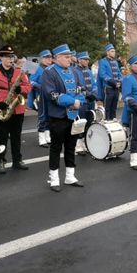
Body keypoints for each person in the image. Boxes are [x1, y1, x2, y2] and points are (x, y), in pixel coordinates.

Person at [41, 44, 86, 191]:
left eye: (70, 56)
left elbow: (81, 89)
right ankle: (54, 179)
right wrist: (73, 102)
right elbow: (51, 94)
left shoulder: (73, 71)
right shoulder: (49, 72)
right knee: (56, 147)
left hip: (73, 116)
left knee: (71, 146)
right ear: (57, 58)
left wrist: (79, 101)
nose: (70, 59)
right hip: (58, 116)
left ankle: (70, 176)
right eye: (66, 57)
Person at [0, 45, 31, 173]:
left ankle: (17, 160)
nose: (11, 59)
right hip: (1, 109)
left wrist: (22, 90)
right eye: (8, 57)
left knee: (16, 136)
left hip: (17, 108)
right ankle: (1, 161)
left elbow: (28, 86)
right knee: (2, 137)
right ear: (1, 57)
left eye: (12, 56)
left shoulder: (19, 72)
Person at [73, 51, 99, 155]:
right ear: (79, 60)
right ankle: (78, 145)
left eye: (88, 59)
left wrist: (94, 93)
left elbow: (94, 84)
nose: (88, 61)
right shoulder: (74, 71)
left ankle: (85, 142)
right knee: (81, 122)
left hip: (91, 100)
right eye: (85, 59)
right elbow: (77, 86)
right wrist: (88, 94)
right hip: (82, 100)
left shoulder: (88, 70)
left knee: (89, 121)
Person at [28, 49, 53, 148]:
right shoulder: (36, 68)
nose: (49, 59)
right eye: (47, 57)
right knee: (42, 116)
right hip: (40, 95)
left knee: (49, 116)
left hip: (50, 95)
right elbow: (31, 82)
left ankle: (48, 137)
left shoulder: (52, 68)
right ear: (41, 59)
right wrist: (39, 86)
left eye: (50, 57)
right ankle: (41, 138)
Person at [97, 43, 122, 120]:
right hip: (108, 88)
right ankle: (107, 125)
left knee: (114, 109)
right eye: (112, 51)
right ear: (107, 52)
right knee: (107, 109)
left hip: (116, 89)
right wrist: (112, 81)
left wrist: (120, 82)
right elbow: (102, 75)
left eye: (114, 51)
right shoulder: (103, 61)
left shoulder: (115, 62)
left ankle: (113, 124)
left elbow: (119, 74)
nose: (114, 53)